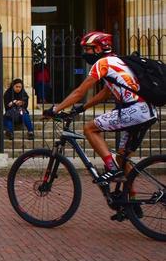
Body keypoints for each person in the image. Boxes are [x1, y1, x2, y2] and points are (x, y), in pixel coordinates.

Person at [44, 31, 157, 190]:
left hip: (134, 110)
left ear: (99, 48)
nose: (85, 53)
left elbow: (79, 92)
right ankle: (131, 204)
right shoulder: (116, 61)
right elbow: (106, 92)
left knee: (89, 128)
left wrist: (55, 109)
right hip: (147, 112)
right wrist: (82, 108)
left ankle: (111, 169)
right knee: (121, 160)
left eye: (88, 49)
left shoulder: (102, 63)